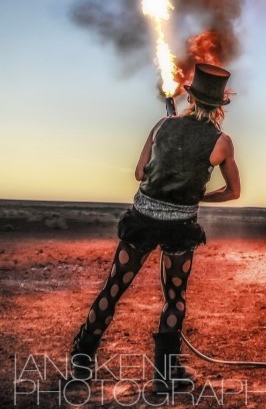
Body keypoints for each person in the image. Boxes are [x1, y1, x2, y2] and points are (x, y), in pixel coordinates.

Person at [69, 63, 241, 391]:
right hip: (180, 227)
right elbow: (233, 192)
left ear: (191, 98)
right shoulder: (222, 142)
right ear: (219, 105)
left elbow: (139, 174)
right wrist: (198, 196)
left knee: (113, 289)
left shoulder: (163, 125)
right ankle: (165, 376)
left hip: (142, 221)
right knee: (174, 298)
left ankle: (82, 361)